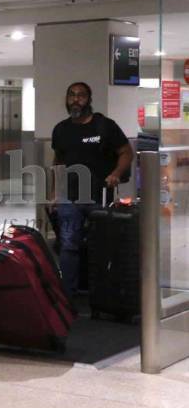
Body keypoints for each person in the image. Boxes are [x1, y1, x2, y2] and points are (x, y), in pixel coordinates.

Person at [50, 81, 133, 298]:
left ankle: (103, 295)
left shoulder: (104, 126)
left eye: (81, 95)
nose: (76, 99)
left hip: (100, 195)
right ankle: (67, 296)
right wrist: (55, 193)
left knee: (102, 246)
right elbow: (58, 161)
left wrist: (116, 173)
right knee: (68, 245)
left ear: (89, 99)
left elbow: (126, 152)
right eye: (72, 95)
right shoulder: (61, 129)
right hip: (70, 197)